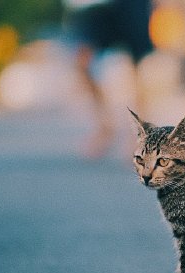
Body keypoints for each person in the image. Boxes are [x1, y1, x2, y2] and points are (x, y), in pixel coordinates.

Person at [65, 0, 153, 158]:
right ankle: (105, 127)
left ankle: (140, 136)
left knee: (138, 67)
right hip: (91, 5)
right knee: (81, 60)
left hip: (131, 5)